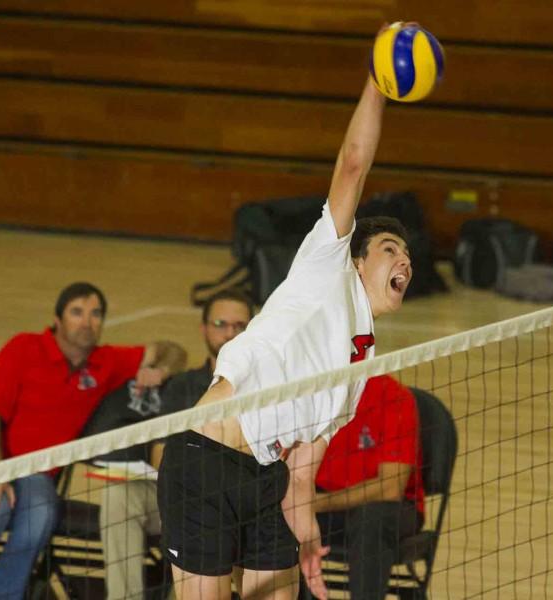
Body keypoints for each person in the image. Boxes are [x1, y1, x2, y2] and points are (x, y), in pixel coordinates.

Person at [157, 56, 413, 600]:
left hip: (264, 478)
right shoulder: (326, 267)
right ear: (356, 261)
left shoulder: (359, 366)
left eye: (408, 256)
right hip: (205, 462)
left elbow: (302, 470)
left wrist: (307, 527)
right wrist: (377, 82)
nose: (405, 262)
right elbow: (352, 164)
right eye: (391, 249)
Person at [0, 282, 186, 600]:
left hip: (39, 474)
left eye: (95, 313)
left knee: (40, 515)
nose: (87, 321)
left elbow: (173, 349)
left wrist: (161, 369)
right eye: (77, 312)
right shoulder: (22, 348)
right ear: (57, 320)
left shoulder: (108, 362)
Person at [100, 289, 253, 600]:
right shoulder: (182, 386)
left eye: (240, 326)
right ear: (204, 329)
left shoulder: (266, 386)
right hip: (179, 498)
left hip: (236, 509)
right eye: (221, 323)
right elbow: (161, 453)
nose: (230, 333)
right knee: (117, 496)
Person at [312, 374, 424, 599]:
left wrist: (313, 504)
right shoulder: (312, 393)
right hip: (325, 506)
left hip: (392, 509)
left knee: (371, 519)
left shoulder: (393, 396)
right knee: (279, 517)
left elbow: (390, 489)